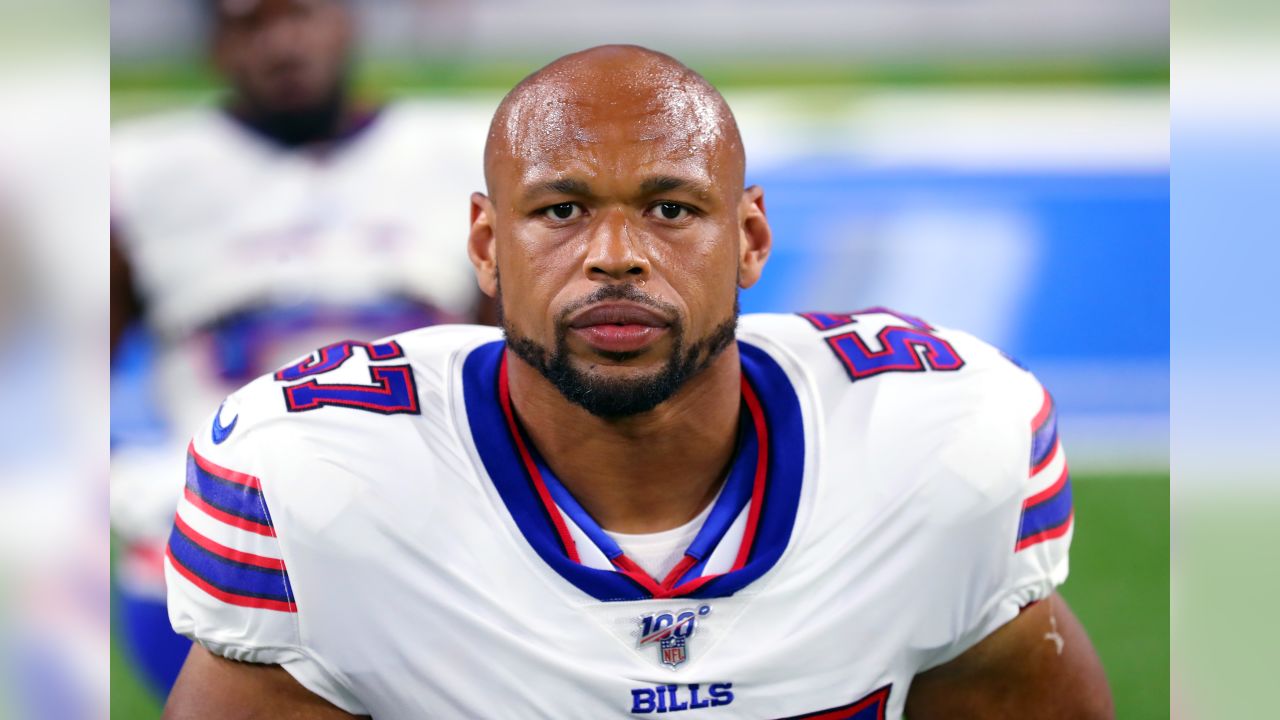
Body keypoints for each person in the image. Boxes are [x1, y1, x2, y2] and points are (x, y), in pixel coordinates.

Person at [160, 45, 1113, 719]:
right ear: (488, 246)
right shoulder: (320, 480)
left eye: (670, 208)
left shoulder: (936, 445)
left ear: (750, 238)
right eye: (562, 209)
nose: (616, 257)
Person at [110, 0, 485, 696]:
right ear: (214, 43)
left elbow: (519, 359)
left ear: (348, 20)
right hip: (222, 535)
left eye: (302, 14)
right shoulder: (141, 173)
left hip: (423, 533)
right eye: (251, 23)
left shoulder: (461, 154)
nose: (283, 44)